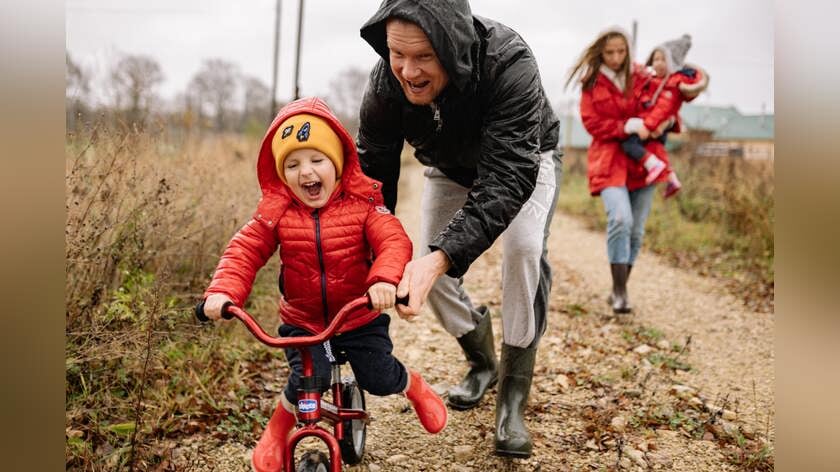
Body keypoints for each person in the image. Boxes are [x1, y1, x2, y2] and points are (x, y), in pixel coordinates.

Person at [356, 0, 561, 458]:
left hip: (525, 160)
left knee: (523, 249)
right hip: (448, 167)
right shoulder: (384, 84)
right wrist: (370, 254)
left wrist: (442, 257)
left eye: (424, 56)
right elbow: (372, 179)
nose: (408, 71)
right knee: (427, 263)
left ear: (452, 47)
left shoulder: (510, 62)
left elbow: (507, 177)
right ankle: (482, 361)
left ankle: (512, 397)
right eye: (397, 54)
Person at [201, 97, 447, 472]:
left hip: (357, 317)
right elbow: (245, 250)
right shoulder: (277, 213)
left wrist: (382, 280)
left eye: (317, 160)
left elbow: (393, 241)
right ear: (282, 174)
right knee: (305, 381)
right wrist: (223, 291)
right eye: (293, 164)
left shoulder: (363, 205)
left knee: (378, 378)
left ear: (337, 163)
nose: (306, 172)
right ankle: (276, 432)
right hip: (304, 322)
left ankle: (412, 386)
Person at [565, 26, 662, 314]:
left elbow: (666, 102)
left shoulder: (643, 76)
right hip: (608, 160)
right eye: (609, 52)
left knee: (636, 230)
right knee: (620, 219)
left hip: (644, 160)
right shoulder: (591, 82)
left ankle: (620, 288)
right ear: (600, 53)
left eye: (621, 51)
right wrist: (624, 127)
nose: (616, 57)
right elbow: (591, 123)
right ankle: (619, 292)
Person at [622, 34, 709, 198]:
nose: (658, 63)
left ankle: (654, 166)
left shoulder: (671, 84)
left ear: (672, 63)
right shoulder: (653, 81)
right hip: (653, 124)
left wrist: (648, 126)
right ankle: (671, 178)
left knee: (629, 144)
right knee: (656, 149)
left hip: (652, 125)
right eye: (656, 59)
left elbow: (663, 109)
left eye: (663, 59)